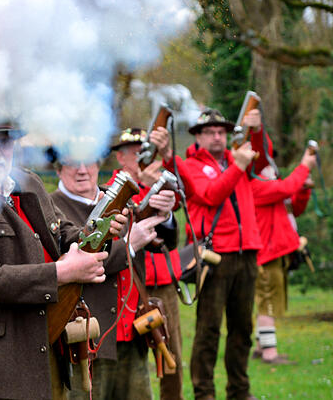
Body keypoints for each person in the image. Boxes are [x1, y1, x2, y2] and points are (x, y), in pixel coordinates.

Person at [0, 123, 128, 400]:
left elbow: (63, 234)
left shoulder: (28, 183)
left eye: (4, 142)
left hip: (45, 344)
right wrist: (62, 272)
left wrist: (100, 227)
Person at [154, 107, 266, 400]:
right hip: (215, 255)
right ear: (198, 137)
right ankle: (204, 393)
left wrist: (256, 131)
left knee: (242, 328)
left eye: (221, 132)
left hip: (247, 251)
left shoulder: (239, 157)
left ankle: (239, 390)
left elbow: (265, 162)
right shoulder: (191, 165)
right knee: (209, 329)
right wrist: (237, 166)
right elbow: (210, 195)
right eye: (210, 132)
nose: (217, 137)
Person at [50, 155, 175, 400]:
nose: (82, 170)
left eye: (89, 161)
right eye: (73, 162)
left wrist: (165, 214)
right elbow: (80, 262)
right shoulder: (51, 206)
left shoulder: (118, 196)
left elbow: (164, 243)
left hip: (134, 331)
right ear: (58, 169)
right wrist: (129, 245)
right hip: (84, 340)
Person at [111, 128, 184, 399]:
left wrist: (163, 201)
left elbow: (172, 230)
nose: (144, 158)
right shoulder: (111, 188)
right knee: (128, 360)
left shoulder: (160, 182)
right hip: (128, 284)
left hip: (163, 281)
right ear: (120, 157)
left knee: (171, 354)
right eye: (136, 153)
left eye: (147, 152)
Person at [251, 147, 315, 364]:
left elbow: (293, 208)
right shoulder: (256, 185)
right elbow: (287, 188)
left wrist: (303, 190)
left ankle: (261, 347)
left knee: (267, 301)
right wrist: (304, 167)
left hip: (275, 252)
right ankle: (270, 353)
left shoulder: (272, 184)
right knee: (268, 302)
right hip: (266, 255)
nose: (270, 164)